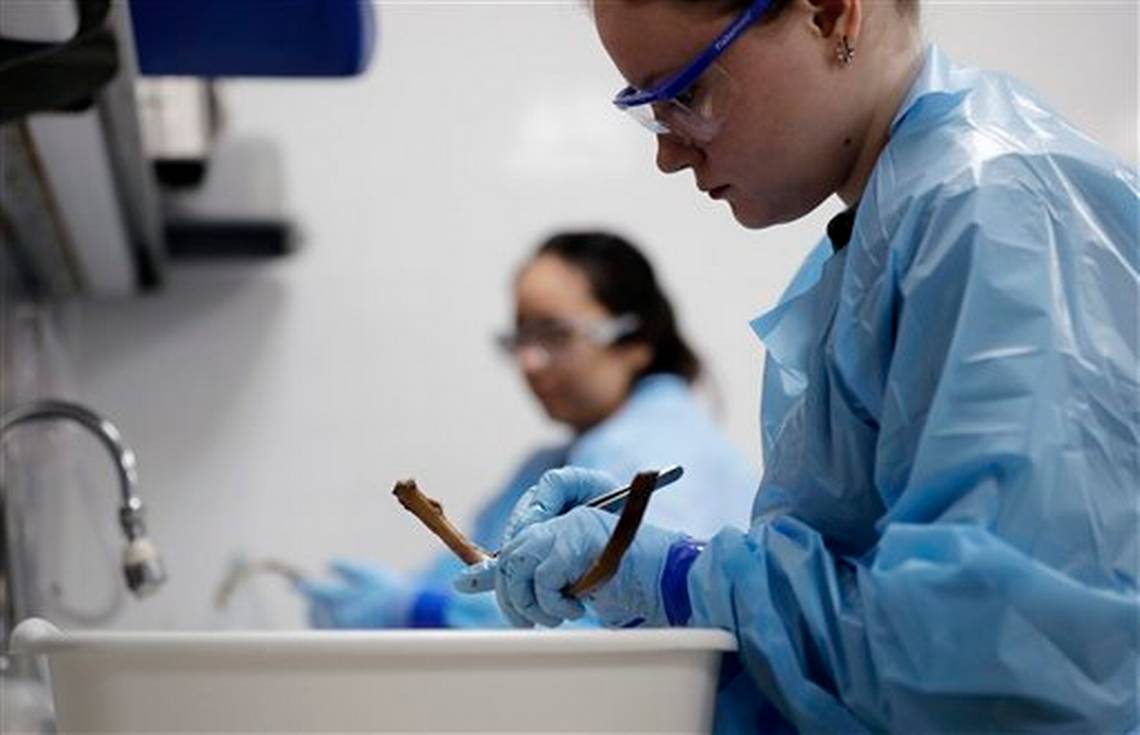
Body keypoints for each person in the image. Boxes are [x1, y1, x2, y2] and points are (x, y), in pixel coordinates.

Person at [456, 0, 1139, 731]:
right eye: (647, 109)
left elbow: (992, 660)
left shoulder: (996, 214)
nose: (668, 152)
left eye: (684, 94)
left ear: (830, 15)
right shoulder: (889, 234)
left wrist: (685, 578)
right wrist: (663, 574)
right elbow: (869, 641)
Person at [298, 230, 758, 629]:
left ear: (637, 340)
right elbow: (472, 573)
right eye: (521, 337)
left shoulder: (658, 453)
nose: (529, 361)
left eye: (554, 335)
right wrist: (405, 600)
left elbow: (614, 636)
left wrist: (422, 612)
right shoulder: (555, 464)